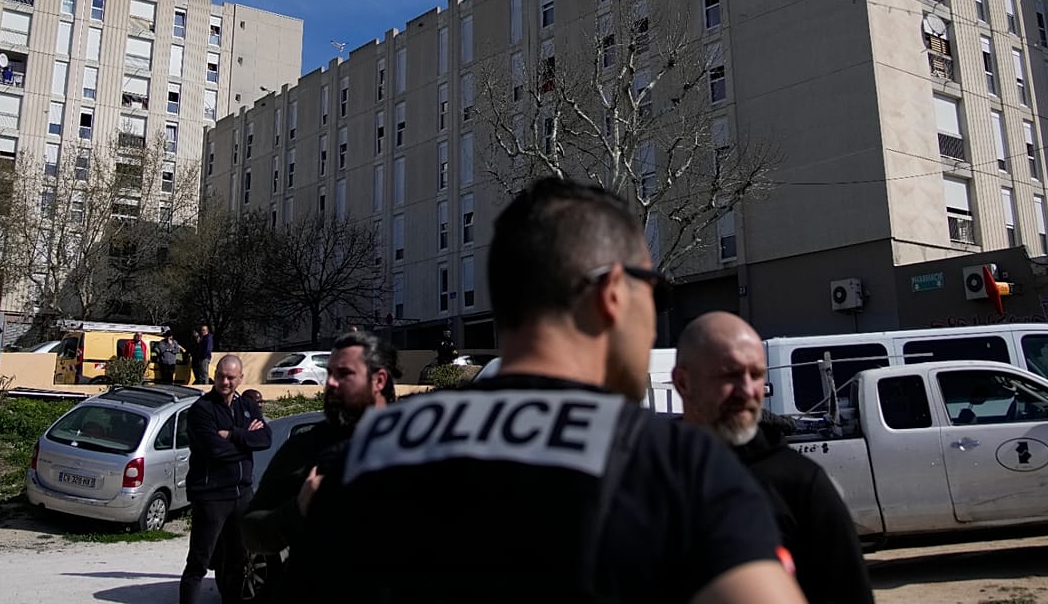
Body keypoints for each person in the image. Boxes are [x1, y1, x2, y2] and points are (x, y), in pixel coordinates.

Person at [292, 178, 805, 602]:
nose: (655, 318)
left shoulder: (370, 454)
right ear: (612, 295)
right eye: (655, 292)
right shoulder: (677, 467)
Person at [673, 311, 873, 604]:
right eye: (729, 374)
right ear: (683, 382)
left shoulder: (802, 485)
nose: (747, 391)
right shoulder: (645, 475)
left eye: (755, 375)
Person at [242, 331, 396, 593]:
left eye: (344, 374)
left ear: (379, 379)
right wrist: (298, 508)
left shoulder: (417, 446)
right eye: (330, 374)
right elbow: (251, 531)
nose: (331, 383)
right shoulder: (304, 448)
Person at [181, 354, 271, 604]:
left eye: (231, 377)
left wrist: (232, 434)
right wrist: (246, 443)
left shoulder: (247, 406)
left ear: (240, 378)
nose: (225, 382)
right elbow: (215, 451)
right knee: (199, 562)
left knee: (238, 560)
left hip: (241, 496)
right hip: (211, 497)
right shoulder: (202, 410)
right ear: (214, 375)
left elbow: (266, 439)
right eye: (221, 376)